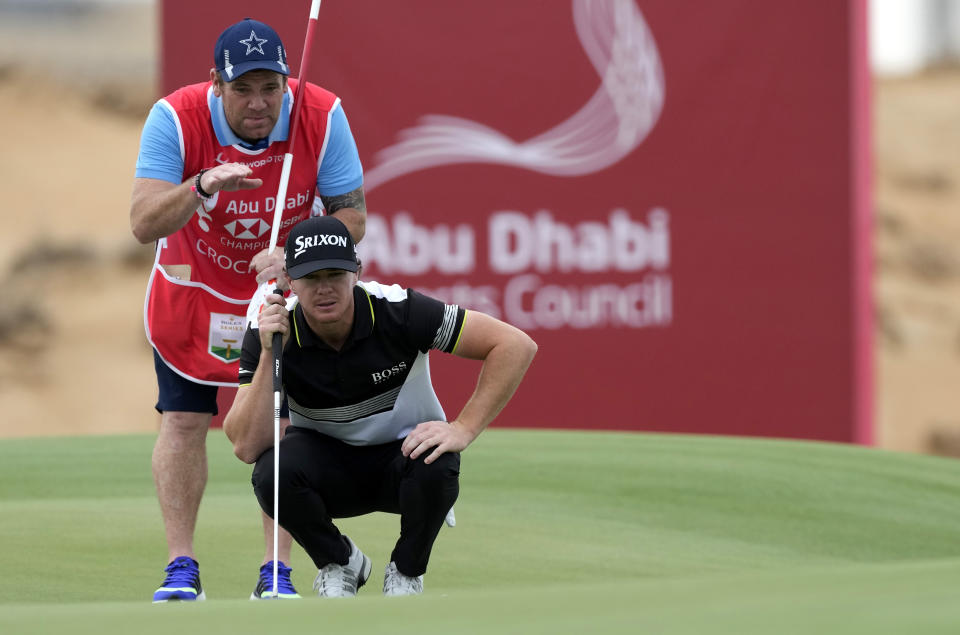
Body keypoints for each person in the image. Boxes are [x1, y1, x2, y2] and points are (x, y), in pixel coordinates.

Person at [129, 17, 367, 602]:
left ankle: (275, 571)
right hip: (195, 290)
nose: (260, 104)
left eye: (272, 88)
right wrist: (203, 185)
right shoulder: (175, 118)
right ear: (216, 83)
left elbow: (353, 218)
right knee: (184, 422)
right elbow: (143, 223)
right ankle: (181, 567)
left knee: (278, 430)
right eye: (243, 89)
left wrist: (294, 254)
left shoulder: (322, 114)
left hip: (279, 292)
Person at [222, 216, 537, 597]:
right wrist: (274, 352)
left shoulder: (397, 310)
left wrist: (463, 428)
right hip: (328, 469)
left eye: (334, 274)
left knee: (438, 459)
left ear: (357, 271)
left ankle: (406, 572)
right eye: (311, 277)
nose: (324, 289)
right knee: (271, 473)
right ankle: (341, 562)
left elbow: (515, 345)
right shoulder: (272, 329)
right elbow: (245, 446)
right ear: (289, 279)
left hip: (403, 462)